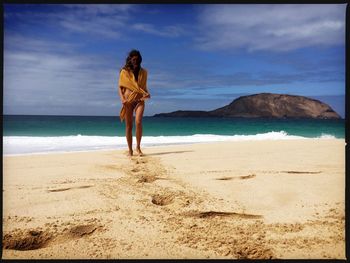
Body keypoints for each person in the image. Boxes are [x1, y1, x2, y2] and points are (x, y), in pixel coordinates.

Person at [118, 49, 151, 157]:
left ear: (140, 60)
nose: (135, 61)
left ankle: (138, 147)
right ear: (130, 60)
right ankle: (130, 150)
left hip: (140, 100)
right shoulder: (124, 71)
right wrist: (122, 99)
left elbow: (144, 88)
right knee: (128, 126)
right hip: (128, 101)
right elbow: (120, 87)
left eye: (137, 59)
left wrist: (147, 94)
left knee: (138, 122)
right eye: (133, 59)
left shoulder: (144, 72)